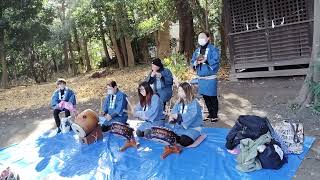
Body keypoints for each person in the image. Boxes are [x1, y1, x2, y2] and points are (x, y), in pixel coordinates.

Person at [191, 32, 220, 122]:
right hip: (201, 78)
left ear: (208, 38)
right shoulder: (197, 51)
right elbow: (192, 62)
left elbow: (216, 60)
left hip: (210, 77)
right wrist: (196, 62)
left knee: (212, 96)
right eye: (199, 37)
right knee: (205, 96)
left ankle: (214, 115)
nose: (201, 39)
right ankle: (210, 113)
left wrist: (206, 60)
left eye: (203, 37)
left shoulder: (213, 49)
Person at [166, 82, 203, 147]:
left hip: (192, 128)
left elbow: (191, 116)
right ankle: (177, 138)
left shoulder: (194, 103)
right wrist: (171, 118)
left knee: (184, 141)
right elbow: (174, 112)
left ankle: (179, 138)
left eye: (181, 91)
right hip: (180, 127)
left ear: (187, 91)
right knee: (167, 135)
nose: (179, 93)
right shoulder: (179, 102)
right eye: (179, 91)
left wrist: (178, 116)